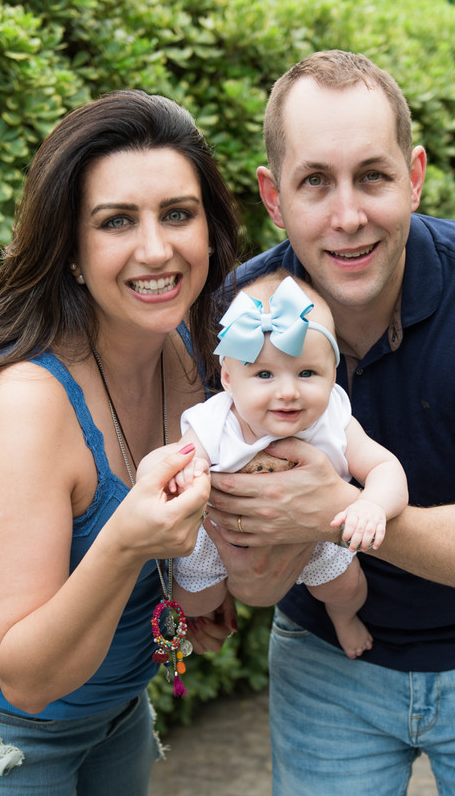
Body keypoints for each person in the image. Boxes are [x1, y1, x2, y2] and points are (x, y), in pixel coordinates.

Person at [200, 51, 455, 794]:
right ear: (274, 198)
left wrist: (338, 512)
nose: (348, 216)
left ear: (414, 177)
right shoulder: (242, 312)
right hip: (327, 667)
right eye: (316, 181)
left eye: (372, 176)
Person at [0, 89, 242, 795]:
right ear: (73, 251)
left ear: (209, 231)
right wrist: (128, 542)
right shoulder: (24, 403)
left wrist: (185, 591)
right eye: (117, 221)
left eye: (178, 214)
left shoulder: (188, 348)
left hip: (116, 711)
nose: (157, 249)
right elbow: (22, 675)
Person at [155, 273, 407, 659]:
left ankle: (343, 620)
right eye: (264, 374)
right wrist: (188, 474)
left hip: (319, 535)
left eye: (307, 373)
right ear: (227, 378)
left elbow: (386, 468)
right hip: (221, 533)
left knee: (348, 589)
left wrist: (372, 505)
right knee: (194, 598)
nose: (288, 391)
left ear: (332, 374)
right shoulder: (214, 420)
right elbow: (177, 461)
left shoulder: (333, 419)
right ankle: (208, 615)